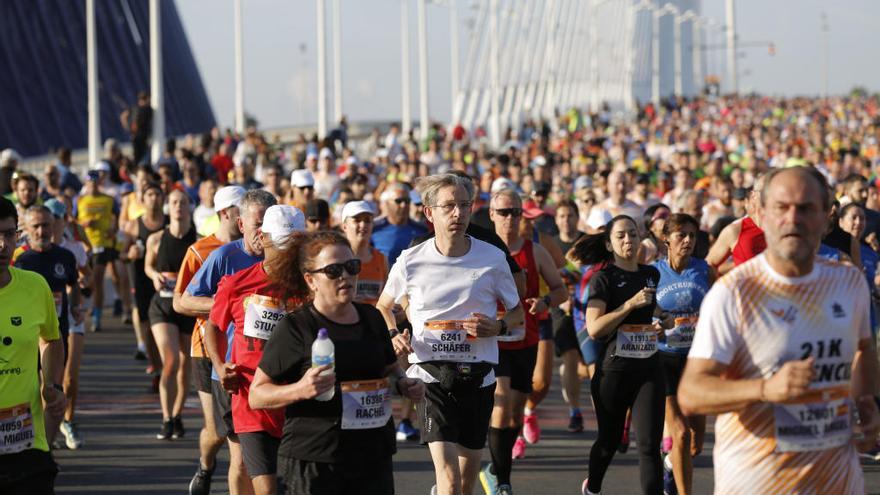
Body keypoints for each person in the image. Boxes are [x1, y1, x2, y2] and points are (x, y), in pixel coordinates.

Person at [678, 166, 880, 493]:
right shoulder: (734, 293)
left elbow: (864, 348)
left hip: (836, 481)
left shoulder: (849, 282)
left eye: (805, 208)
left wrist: (866, 401)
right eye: (781, 208)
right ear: (762, 215)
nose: (793, 219)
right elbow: (691, 393)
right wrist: (765, 390)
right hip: (758, 481)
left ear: (826, 217)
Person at [376, 173, 523, 495]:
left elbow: (517, 313)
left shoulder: (492, 258)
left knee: (466, 483)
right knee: (450, 480)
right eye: (449, 207)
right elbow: (383, 306)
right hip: (431, 375)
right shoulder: (412, 260)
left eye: (464, 206)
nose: (458, 214)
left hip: (480, 375)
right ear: (429, 213)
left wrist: (496, 326)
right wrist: (392, 334)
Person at [250, 230, 425, 494]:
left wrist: (403, 382)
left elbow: (390, 367)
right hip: (316, 458)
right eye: (333, 270)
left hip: (373, 453)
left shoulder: (372, 319)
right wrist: (300, 389)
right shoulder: (297, 327)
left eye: (351, 266)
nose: (345, 276)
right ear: (311, 280)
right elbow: (257, 395)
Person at [207, 205, 306, 495]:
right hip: (252, 400)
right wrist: (219, 365)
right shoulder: (237, 284)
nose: (290, 253)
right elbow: (213, 326)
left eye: (296, 245)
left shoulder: (312, 285)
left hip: (301, 402)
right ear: (262, 239)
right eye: (283, 244)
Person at [183, 189, 277, 494]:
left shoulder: (284, 262)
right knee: (241, 458)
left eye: (269, 224)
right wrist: (231, 304)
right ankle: (205, 465)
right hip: (235, 373)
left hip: (276, 372)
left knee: (273, 460)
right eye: (257, 224)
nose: (263, 232)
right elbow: (183, 301)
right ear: (240, 224)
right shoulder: (224, 257)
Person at [569, 215, 670, 495]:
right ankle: (594, 488)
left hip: (648, 369)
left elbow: (651, 312)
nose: (629, 240)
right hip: (614, 371)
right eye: (621, 236)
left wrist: (663, 321)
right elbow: (594, 328)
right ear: (609, 243)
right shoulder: (603, 278)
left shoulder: (651, 274)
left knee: (650, 446)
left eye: (634, 235)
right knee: (609, 441)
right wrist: (628, 304)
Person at [481, 189, 566, 493]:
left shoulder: (534, 251)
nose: (509, 218)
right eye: (503, 212)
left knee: (516, 410)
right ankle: (502, 480)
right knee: (501, 405)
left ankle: (495, 466)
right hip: (492, 342)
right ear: (491, 215)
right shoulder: (478, 252)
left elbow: (560, 290)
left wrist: (544, 302)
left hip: (525, 339)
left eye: (515, 212)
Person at [173, 185, 246, 495]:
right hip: (206, 349)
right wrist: (225, 302)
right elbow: (180, 302)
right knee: (216, 431)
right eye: (239, 208)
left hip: (242, 349)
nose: (244, 214)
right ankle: (205, 465)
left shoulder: (255, 249)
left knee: (244, 431)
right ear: (224, 213)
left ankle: (253, 474)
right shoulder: (200, 251)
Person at [0, 197, 67, 495]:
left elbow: (51, 338)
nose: (2, 244)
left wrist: (51, 386)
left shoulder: (35, 286)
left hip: (26, 439)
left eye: (8, 234)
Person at [652, 214, 712, 495]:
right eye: (680, 235)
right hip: (664, 360)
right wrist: (652, 324)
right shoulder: (653, 273)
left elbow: (723, 304)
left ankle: (668, 465)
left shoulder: (705, 270)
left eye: (692, 235)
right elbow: (642, 313)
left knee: (696, 443)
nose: (687, 240)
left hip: (696, 362)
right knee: (680, 433)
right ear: (666, 239)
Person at [13, 205, 82, 448]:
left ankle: (46, 446)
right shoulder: (22, 261)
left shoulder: (65, 257)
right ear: (27, 230)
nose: (42, 231)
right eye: (36, 226)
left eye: (46, 225)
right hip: (26, 337)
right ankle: (27, 442)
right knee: (29, 391)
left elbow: (73, 286)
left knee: (52, 390)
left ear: (53, 227)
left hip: (55, 334)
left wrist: (74, 307)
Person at [145, 189, 198, 440]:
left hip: (187, 307)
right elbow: (147, 265)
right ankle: (166, 417)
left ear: (190, 207)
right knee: (171, 362)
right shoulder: (156, 239)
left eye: (183, 202)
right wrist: (154, 275)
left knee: (185, 363)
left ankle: (177, 415)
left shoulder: (198, 241)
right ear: (168, 207)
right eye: (174, 202)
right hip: (163, 305)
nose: (178, 206)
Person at [44, 198, 93, 451]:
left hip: (70, 317)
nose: (52, 225)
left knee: (70, 377)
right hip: (44, 320)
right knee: (48, 379)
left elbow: (88, 275)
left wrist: (81, 290)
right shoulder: (30, 252)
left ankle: (69, 420)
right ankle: (47, 427)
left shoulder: (73, 248)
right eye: (49, 219)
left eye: (57, 219)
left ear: (64, 221)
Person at [550, 199, 588, 432]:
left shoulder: (587, 243)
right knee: (571, 356)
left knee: (588, 364)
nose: (566, 220)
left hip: (588, 307)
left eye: (570, 215)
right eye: (562, 216)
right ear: (556, 220)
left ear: (577, 217)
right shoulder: (551, 245)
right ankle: (575, 411)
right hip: (561, 310)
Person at [121, 181, 165, 372]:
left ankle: (166, 365)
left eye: (157, 194)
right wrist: (129, 254)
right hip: (142, 278)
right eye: (150, 195)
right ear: (142, 199)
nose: (154, 198)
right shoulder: (134, 225)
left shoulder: (170, 222)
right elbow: (121, 255)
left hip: (166, 280)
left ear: (163, 198)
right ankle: (155, 365)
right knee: (146, 324)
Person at [77, 169, 119, 332]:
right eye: (89, 182)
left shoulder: (109, 199)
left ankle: (97, 317)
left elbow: (118, 219)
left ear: (99, 183)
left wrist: (113, 230)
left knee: (98, 278)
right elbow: (73, 220)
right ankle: (86, 307)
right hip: (85, 245)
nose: (92, 185)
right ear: (86, 184)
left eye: (95, 182)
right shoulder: (80, 200)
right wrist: (84, 222)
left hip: (103, 243)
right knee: (86, 279)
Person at [705, 174, 767, 275]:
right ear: (754, 195)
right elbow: (709, 264)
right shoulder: (735, 230)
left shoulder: (788, 227)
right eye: (765, 192)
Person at [372, 183, 428, 266]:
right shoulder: (374, 230)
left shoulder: (421, 230)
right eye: (398, 201)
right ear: (387, 203)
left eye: (407, 201)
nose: (403, 205)